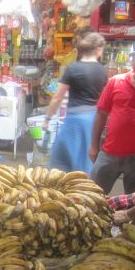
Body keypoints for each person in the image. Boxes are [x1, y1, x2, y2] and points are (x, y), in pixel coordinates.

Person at [90, 41, 135, 195]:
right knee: (92, 195)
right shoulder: (115, 81)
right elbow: (101, 114)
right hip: (110, 151)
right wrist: (94, 145)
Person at [42, 32, 107, 174]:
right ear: (98, 49)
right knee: (84, 164)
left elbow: (57, 98)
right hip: (92, 121)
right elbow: (104, 101)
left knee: (61, 164)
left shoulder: (73, 69)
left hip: (74, 120)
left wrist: (47, 119)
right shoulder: (102, 71)